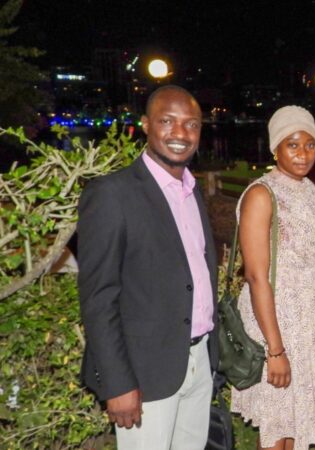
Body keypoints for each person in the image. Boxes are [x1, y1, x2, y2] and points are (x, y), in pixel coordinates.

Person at [78, 85, 218, 448]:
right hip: (144, 373)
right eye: (167, 121)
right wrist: (118, 382)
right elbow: (98, 297)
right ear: (145, 125)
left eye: (191, 124)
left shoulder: (192, 192)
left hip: (198, 361)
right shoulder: (112, 194)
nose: (180, 133)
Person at [231, 106, 315, 450]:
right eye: (292, 144)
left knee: (296, 424)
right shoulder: (261, 194)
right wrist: (275, 350)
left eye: (310, 145)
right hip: (278, 321)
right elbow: (255, 276)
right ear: (275, 147)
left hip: (311, 321)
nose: (302, 154)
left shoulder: (308, 189)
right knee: (277, 426)